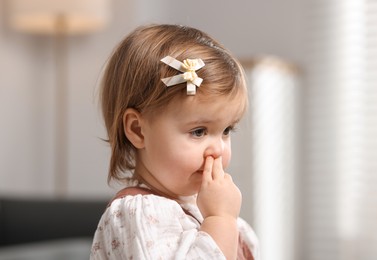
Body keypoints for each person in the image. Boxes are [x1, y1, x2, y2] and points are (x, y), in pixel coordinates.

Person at [90, 24, 259, 260]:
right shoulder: (138, 214)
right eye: (199, 132)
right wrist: (220, 220)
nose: (218, 150)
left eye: (227, 130)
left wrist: (225, 220)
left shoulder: (212, 213)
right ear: (138, 130)